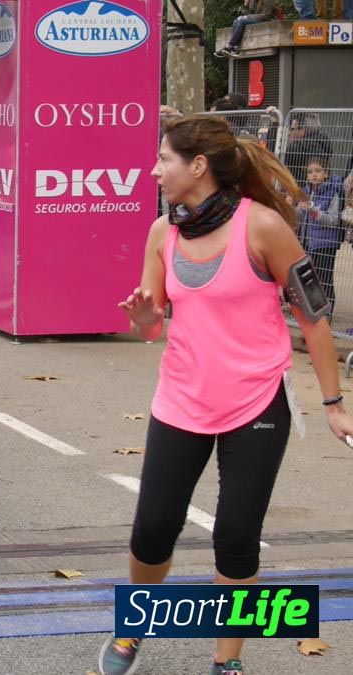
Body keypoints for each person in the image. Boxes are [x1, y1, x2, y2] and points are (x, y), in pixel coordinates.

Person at [99, 115, 353, 675]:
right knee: (152, 529)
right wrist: (144, 318)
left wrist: (334, 405)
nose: (154, 170)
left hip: (257, 400)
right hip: (182, 398)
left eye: (163, 159)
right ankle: (133, 627)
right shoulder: (162, 232)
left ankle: (227, 662)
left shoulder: (263, 227)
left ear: (197, 166)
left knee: (237, 537)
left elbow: (314, 318)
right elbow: (153, 325)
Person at [294, 157, 346, 312]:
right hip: (308, 242)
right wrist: (296, 208)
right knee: (309, 278)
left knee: (325, 279)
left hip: (325, 244)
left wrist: (314, 211)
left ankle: (327, 313)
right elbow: (300, 216)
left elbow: (333, 220)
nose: (314, 175)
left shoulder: (333, 192)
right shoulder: (306, 191)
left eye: (318, 171)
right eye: (310, 172)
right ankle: (314, 311)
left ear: (326, 173)